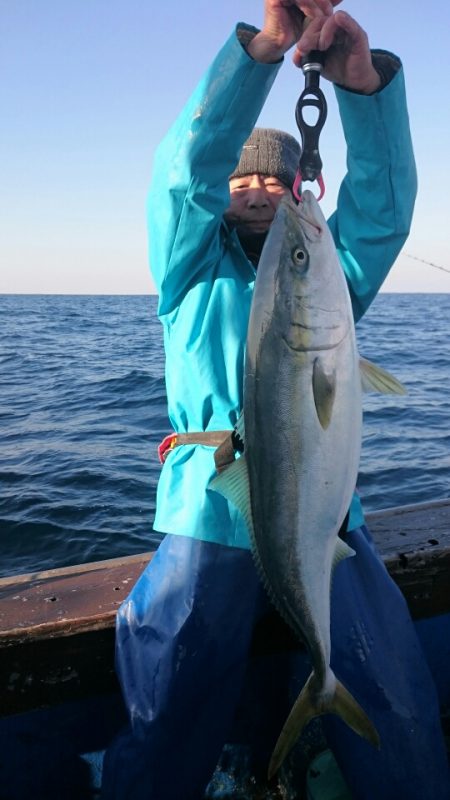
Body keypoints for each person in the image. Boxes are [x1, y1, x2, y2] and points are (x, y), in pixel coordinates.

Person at [101, 2, 450, 798]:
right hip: (209, 515)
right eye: (243, 176)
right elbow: (184, 172)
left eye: (275, 176)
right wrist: (260, 54)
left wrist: (363, 88)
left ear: (303, 189)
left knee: (393, 689)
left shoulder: (330, 280)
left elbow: (381, 212)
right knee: (169, 700)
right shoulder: (189, 268)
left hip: (329, 519)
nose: (258, 188)